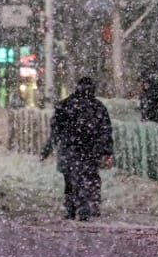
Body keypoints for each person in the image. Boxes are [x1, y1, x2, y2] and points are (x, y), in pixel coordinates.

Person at [41, 76, 114, 221]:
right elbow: (106, 131)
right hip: (90, 150)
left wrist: (48, 147)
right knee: (90, 178)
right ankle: (88, 208)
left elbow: (56, 130)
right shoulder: (98, 107)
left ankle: (72, 209)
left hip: (69, 149)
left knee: (70, 180)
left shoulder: (66, 105)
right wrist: (107, 150)